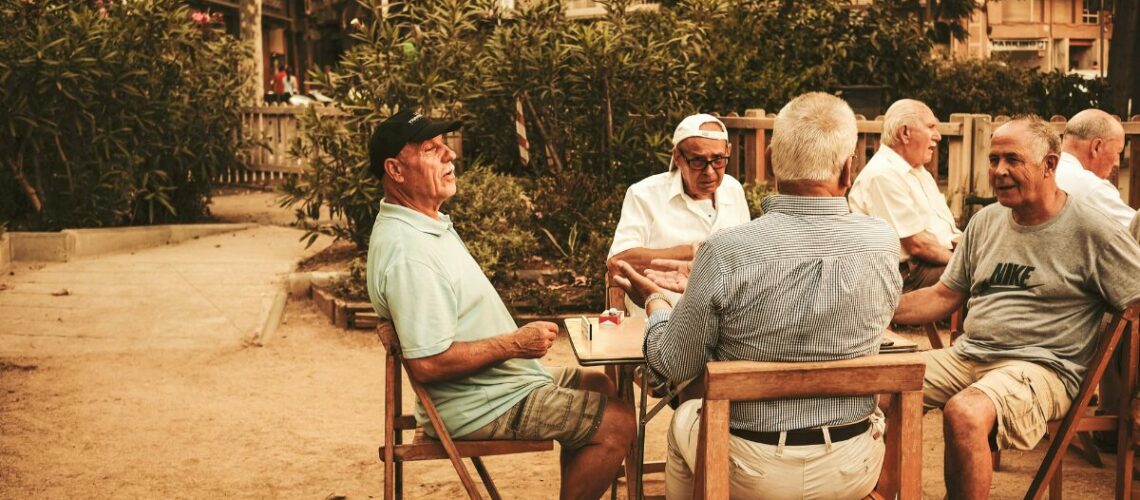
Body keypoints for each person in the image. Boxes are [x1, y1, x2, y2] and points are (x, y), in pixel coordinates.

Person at [613, 92, 902, 500]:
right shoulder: (883, 242)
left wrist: (657, 302)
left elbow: (674, 363)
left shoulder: (727, 250)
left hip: (749, 467)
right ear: (848, 168)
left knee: (683, 424)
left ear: (768, 161)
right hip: (852, 462)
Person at [365, 109, 636, 500]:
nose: (449, 157)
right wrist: (516, 344)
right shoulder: (410, 252)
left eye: (446, 147)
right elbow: (429, 363)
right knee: (618, 423)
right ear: (396, 169)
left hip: (503, 383)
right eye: (431, 150)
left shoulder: (421, 223)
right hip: (480, 403)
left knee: (598, 383)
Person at [892, 115, 1140, 500]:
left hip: (1043, 368)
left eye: (1012, 160)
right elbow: (943, 295)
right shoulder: (985, 222)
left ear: (1050, 165)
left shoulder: (1094, 231)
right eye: (994, 160)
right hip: (968, 356)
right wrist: (874, 311)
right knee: (873, 385)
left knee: (966, 412)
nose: (999, 171)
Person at [606, 113, 750, 313]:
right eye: (698, 161)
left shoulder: (733, 190)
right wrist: (693, 251)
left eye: (718, 159)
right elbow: (618, 262)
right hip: (660, 322)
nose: (709, 172)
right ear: (678, 157)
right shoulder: (644, 194)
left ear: (728, 151)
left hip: (723, 323)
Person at [848, 99, 961, 291]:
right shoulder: (882, 175)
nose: (938, 136)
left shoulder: (918, 172)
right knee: (984, 280)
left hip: (930, 262)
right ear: (905, 132)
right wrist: (965, 265)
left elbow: (944, 233)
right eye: (931, 127)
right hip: (905, 274)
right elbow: (917, 245)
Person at [1055, 108, 1134, 227]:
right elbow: (1135, 230)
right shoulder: (1091, 188)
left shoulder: (1044, 170)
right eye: (1118, 152)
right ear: (1096, 147)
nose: (1117, 163)